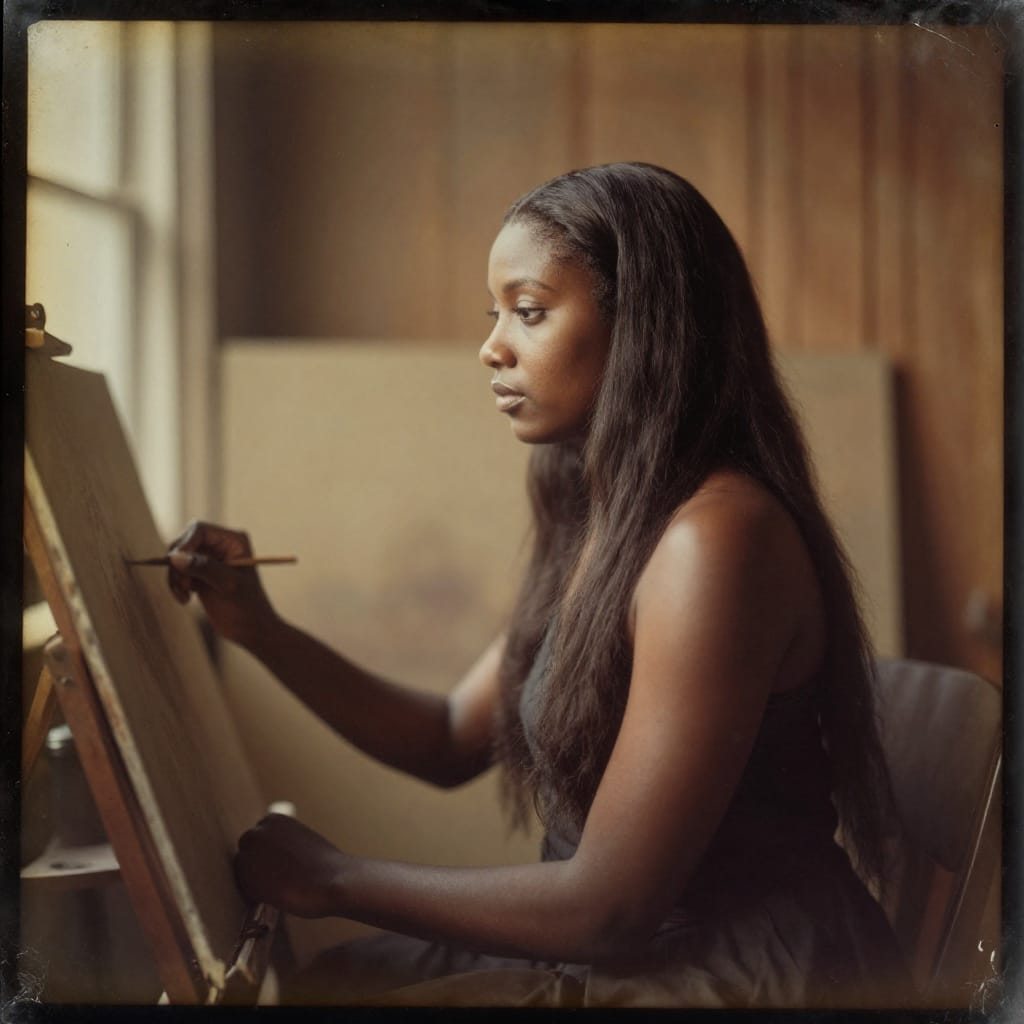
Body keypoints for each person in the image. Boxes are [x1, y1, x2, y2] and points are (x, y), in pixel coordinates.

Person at [166, 162, 910, 1008]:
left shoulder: (715, 540)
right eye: (495, 315)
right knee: (334, 982)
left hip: (738, 967)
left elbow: (610, 907)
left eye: (528, 311)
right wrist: (260, 630)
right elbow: (450, 739)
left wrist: (335, 879)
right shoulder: (604, 511)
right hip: (630, 941)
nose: (493, 347)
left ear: (645, 328)